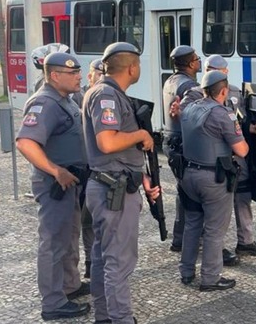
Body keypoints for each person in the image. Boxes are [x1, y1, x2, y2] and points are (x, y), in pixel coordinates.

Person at [82, 42, 159, 324]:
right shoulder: (106, 95)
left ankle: (105, 316)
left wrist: (143, 176)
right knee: (119, 261)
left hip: (112, 184)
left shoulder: (110, 93)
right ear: (131, 67)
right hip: (111, 189)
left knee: (104, 258)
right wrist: (140, 135)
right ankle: (120, 318)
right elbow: (107, 141)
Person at [15, 52, 91, 321]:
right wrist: (55, 170)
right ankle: (53, 303)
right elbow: (25, 142)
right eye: (73, 73)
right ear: (55, 76)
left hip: (71, 182)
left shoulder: (65, 100)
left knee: (69, 238)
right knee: (53, 243)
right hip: (55, 184)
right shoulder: (44, 103)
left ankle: (69, 286)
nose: (79, 76)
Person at [178, 70, 249, 291]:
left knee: (192, 225)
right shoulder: (223, 114)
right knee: (215, 230)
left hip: (187, 175)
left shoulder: (188, 107)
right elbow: (242, 150)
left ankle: (186, 271)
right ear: (224, 91)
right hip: (212, 179)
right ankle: (210, 278)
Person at [204, 55, 256, 259]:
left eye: (216, 69)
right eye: (208, 69)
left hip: (235, 152)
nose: (211, 72)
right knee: (217, 205)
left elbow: (240, 120)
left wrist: (252, 127)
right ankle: (218, 248)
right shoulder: (199, 93)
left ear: (225, 72)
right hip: (214, 156)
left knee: (243, 196)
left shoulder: (234, 92)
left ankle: (246, 241)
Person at [161, 46, 201, 253]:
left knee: (182, 191)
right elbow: (192, 115)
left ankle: (180, 238)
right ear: (191, 63)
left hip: (170, 139)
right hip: (183, 143)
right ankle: (186, 239)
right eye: (196, 58)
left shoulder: (170, 80)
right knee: (190, 195)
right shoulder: (190, 85)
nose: (199, 61)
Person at [75, 58, 103, 279]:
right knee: (83, 222)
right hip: (79, 169)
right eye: (97, 73)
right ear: (89, 75)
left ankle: (95, 264)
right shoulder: (77, 96)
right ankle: (89, 263)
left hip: (98, 169)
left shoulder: (110, 97)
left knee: (95, 220)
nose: (100, 77)